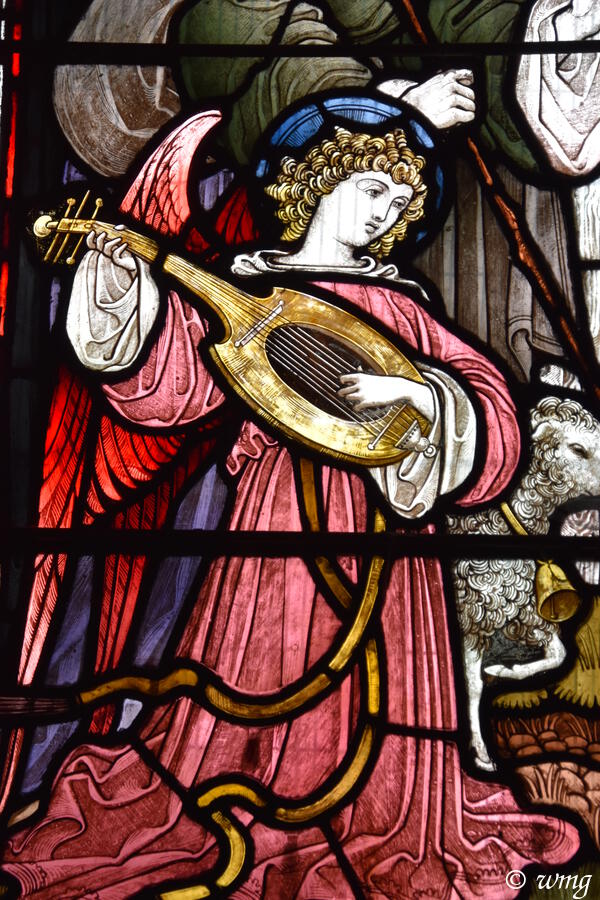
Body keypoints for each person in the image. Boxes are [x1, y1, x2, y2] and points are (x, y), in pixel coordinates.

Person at [1, 102, 579, 898]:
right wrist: (123, 291)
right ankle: (239, 791)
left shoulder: (403, 308)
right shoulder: (248, 290)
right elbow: (171, 385)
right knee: (256, 679)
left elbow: (489, 410)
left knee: (387, 719)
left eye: (395, 204)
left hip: (382, 533)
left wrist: (414, 393)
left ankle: (383, 809)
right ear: (317, 182)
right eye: (369, 189)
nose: (381, 214)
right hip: (272, 525)